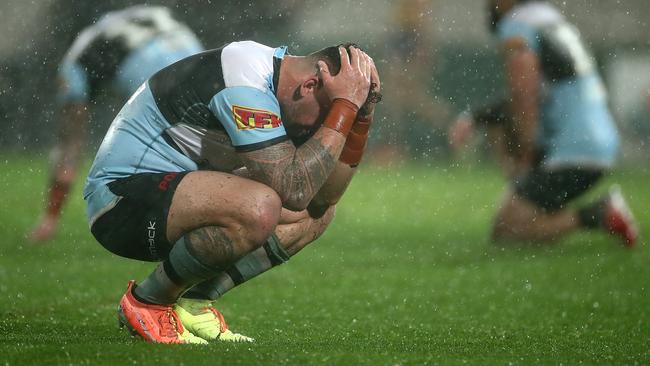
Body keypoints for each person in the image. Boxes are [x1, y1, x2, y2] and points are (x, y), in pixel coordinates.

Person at [83, 41, 381, 344]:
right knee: (260, 206)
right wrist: (345, 107)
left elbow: (323, 198)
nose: (323, 128)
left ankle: (194, 304)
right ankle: (148, 301)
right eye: (326, 115)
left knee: (316, 215)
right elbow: (294, 189)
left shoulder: (287, 91)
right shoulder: (245, 78)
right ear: (310, 85)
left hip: (176, 198)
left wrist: (360, 119)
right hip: (119, 204)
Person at [448, 0, 638, 246]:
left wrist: (528, 151)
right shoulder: (547, 16)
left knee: (508, 231)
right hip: (594, 142)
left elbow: (524, 95)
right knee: (517, 222)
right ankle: (551, 213)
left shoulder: (518, 24)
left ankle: (600, 213)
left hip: (574, 150)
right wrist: (477, 117)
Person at [29, 5, 204, 241]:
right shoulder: (127, 19)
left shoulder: (75, 61)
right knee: (206, 145)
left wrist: (51, 216)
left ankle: (173, 227)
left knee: (162, 154)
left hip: (153, 70)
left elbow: (69, 145)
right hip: (195, 54)